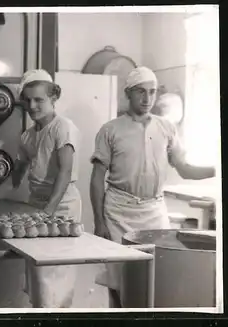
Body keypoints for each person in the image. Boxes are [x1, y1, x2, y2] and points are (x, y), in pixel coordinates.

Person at [89, 66, 216, 308]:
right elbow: (96, 178)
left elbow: (184, 168)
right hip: (119, 212)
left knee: (156, 275)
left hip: (154, 211)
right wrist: (99, 222)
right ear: (128, 93)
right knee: (119, 278)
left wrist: (216, 170)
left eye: (152, 92)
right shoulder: (111, 130)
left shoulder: (166, 128)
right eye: (140, 92)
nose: (147, 99)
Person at [11, 69, 82, 308]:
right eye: (28, 100)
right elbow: (19, 168)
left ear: (53, 98)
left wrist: (49, 209)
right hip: (37, 204)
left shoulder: (63, 128)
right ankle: (41, 313)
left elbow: (65, 171)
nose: (32, 106)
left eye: (39, 99)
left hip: (61, 206)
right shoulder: (28, 136)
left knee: (57, 273)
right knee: (38, 273)